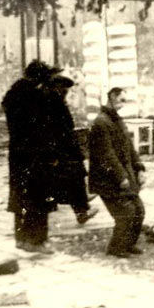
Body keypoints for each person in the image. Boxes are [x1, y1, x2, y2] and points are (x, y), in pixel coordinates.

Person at [2, 60, 59, 254]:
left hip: (18, 155)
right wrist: (51, 154)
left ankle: (21, 239)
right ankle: (37, 241)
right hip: (37, 156)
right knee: (39, 198)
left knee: (21, 197)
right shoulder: (35, 97)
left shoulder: (13, 94)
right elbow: (43, 129)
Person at [88, 87, 146, 258]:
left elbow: (129, 147)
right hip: (108, 179)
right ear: (112, 97)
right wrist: (121, 177)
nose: (123, 104)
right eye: (121, 100)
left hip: (124, 176)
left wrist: (140, 168)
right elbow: (107, 154)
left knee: (139, 210)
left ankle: (128, 244)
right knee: (126, 213)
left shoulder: (117, 120)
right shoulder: (101, 122)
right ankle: (116, 247)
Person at [43, 74, 98, 225]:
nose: (66, 92)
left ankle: (82, 204)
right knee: (73, 179)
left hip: (67, 150)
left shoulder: (56, 103)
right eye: (64, 89)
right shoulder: (52, 105)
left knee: (74, 179)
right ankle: (82, 210)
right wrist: (53, 155)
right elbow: (51, 132)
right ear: (56, 88)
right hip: (61, 152)